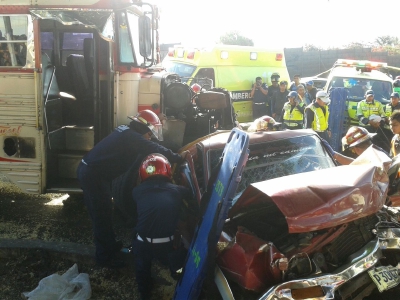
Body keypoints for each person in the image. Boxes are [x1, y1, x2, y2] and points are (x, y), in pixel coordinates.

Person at [77, 110, 189, 268]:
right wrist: (178, 157)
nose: (149, 137)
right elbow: (152, 148)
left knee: (106, 213)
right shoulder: (132, 137)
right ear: (143, 128)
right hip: (93, 176)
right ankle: (105, 258)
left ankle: (110, 247)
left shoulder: (126, 131)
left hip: (94, 173)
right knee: (101, 216)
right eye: (149, 134)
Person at [132, 153, 198, 300]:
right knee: (180, 255)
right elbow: (191, 198)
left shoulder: (136, 192)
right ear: (167, 170)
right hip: (166, 246)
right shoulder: (178, 190)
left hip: (142, 243)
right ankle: (177, 276)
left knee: (141, 266)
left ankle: (144, 292)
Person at [321, 126, 389, 165]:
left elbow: (357, 165)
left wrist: (335, 155)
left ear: (356, 148)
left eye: (352, 150)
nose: (353, 152)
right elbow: (357, 163)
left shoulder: (374, 159)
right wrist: (335, 155)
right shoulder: (376, 151)